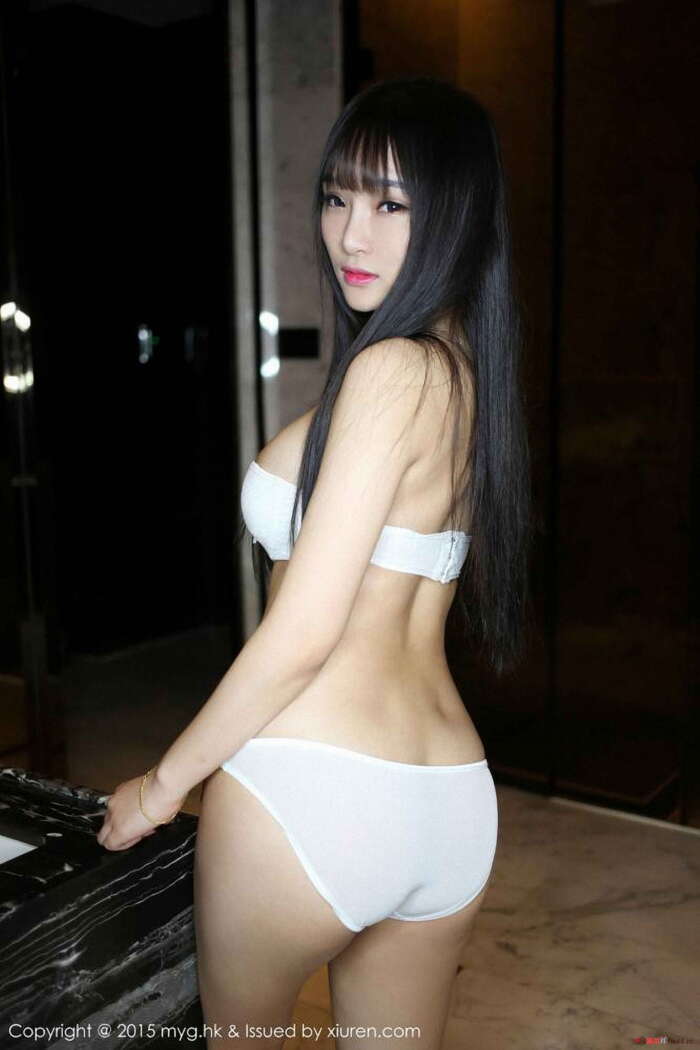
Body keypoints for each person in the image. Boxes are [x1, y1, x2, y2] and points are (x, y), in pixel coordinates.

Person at [96, 76, 532, 1047]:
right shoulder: (469, 378)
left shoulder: (391, 371)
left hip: (316, 790)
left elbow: (302, 634)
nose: (350, 235)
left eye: (391, 205)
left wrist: (161, 789)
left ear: (455, 215)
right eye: (337, 197)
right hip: (450, 803)